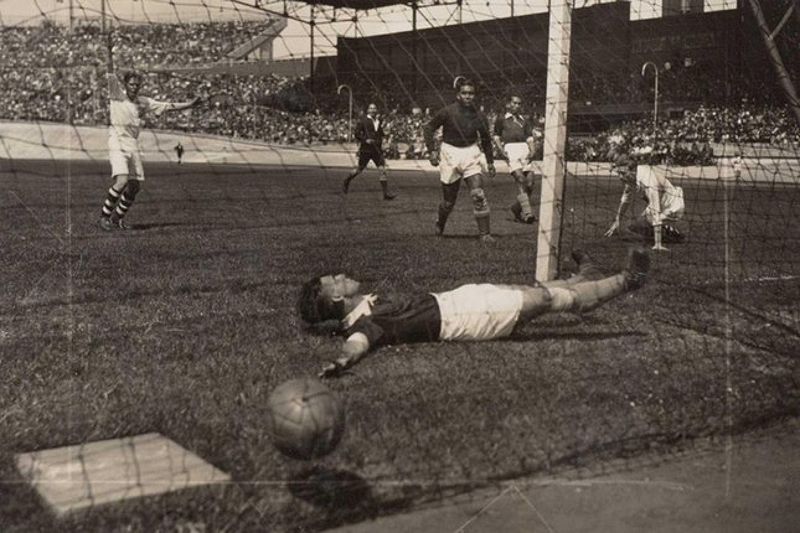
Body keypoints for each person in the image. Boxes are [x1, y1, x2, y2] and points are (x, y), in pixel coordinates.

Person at [298, 247, 649, 378]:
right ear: (333, 301)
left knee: (532, 292)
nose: (342, 275)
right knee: (542, 301)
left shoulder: (363, 307)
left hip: (456, 299)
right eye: (336, 282)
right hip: (464, 318)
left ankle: (579, 280)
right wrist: (341, 362)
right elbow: (357, 343)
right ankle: (624, 282)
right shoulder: (363, 322)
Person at [97, 70, 199, 231]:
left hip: (132, 143)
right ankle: (104, 218)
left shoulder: (144, 101)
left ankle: (117, 218)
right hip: (117, 141)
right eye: (131, 84)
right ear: (125, 84)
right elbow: (110, 74)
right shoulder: (117, 95)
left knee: (134, 186)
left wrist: (189, 105)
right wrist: (110, 50)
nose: (134, 87)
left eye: (137, 85)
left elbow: (167, 106)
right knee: (122, 181)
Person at [424, 79, 496, 242]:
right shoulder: (447, 112)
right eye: (464, 93)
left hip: (471, 153)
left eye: (471, 93)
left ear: (474, 96)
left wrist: (490, 162)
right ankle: (440, 222)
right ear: (458, 95)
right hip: (450, 154)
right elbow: (428, 128)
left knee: (478, 194)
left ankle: (485, 234)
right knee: (449, 202)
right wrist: (432, 151)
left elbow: (486, 140)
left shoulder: (480, 116)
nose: (468, 96)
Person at [604, 155, 685, 251]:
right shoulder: (632, 177)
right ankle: (665, 229)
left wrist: (657, 244)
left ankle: (668, 232)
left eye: (622, 173)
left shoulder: (647, 180)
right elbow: (625, 200)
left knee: (648, 223)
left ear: (632, 171)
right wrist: (617, 221)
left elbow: (655, 210)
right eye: (618, 173)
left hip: (673, 205)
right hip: (662, 202)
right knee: (635, 226)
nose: (620, 177)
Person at [492, 95, 541, 224]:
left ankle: (516, 208)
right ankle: (527, 213)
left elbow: (529, 137)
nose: (517, 106)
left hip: (524, 149)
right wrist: (501, 150)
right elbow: (496, 136)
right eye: (514, 103)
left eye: (519, 104)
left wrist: (533, 150)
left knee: (530, 184)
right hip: (511, 150)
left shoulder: (524, 120)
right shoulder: (502, 119)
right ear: (508, 104)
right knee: (520, 178)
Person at [342, 103, 396, 200]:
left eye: (374, 108)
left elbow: (380, 133)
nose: (373, 110)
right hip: (366, 150)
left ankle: (385, 194)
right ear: (368, 110)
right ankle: (347, 180)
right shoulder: (363, 121)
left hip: (377, 150)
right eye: (371, 108)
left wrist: (385, 135)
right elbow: (357, 134)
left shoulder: (378, 121)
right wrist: (365, 140)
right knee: (359, 170)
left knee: (382, 170)